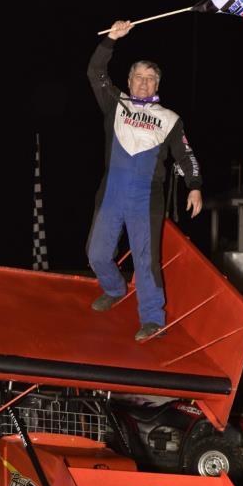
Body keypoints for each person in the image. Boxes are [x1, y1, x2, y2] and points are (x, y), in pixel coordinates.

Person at [86, 20, 203, 341]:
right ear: (129, 80)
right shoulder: (116, 103)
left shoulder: (170, 118)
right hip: (110, 194)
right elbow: (95, 73)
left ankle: (153, 318)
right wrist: (111, 39)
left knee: (145, 260)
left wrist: (195, 186)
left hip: (146, 198)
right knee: (95, 255)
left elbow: (186, 156)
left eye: (150, 79)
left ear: (157, 85)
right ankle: (114, 288)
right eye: (138, 77)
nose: (143, 83)